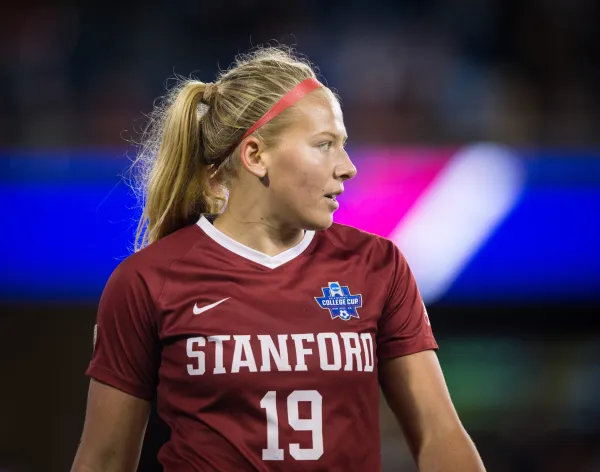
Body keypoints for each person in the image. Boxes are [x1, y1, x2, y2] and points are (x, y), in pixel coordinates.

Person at [71, 46, 485, 472]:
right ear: (255, 156)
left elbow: (440, 433)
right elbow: (104, 459)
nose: (347, 167)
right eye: (324, 145)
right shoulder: (146, 281)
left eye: (343, 145)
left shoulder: (378, 265)